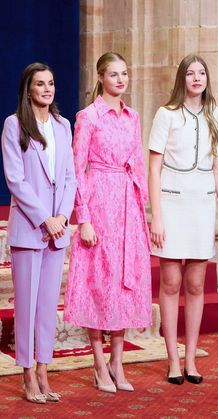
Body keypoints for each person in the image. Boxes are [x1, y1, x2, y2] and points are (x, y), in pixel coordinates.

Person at [64, 52, 152, 393]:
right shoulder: (88, 117)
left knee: (123, 284)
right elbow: (76, 169)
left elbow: (139, 163)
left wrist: (143, 210)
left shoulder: (132, 116)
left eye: (124, 74)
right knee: (99, 283)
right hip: (100, 201)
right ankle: (98, 363)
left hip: (128, 207)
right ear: (101, 78)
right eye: (113, 74)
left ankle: (117, 361)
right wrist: (83, 218)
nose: (120, 79)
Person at [148, 54, 218, 385]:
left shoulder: (216, 115)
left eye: (202, 73)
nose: (197, 78)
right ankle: (172, 359)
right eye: (191, 73)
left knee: (196, 283)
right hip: (172, 205)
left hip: (202, 207)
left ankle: (191, 359)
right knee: (170, 282)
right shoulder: (166, 114)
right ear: (182, 78)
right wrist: (156, 217)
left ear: (206, 79)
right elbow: (154, 167)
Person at [1, 63, 76, 403]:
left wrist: (62, 215)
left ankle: (44, 371)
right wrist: (45, 218)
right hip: (30, 230)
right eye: (40, 84)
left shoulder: (63, 126)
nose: (47, 89)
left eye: (51, 83)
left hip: (56, 231)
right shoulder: (14, 124)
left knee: (47, 307)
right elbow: (15, 180)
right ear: (28, 89)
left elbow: (71, 177)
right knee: (27, 307)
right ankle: (27, 374)